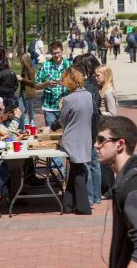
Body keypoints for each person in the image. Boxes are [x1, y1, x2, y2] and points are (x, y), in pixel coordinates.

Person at [96, 116, 137, 268]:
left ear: (120, 144)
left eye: (100, 140)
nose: (95, 145)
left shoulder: (134, 185)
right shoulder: (128, 178)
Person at [48, 67, 93, 215]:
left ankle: (83, 206)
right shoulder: (88, 95)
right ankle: (67, 205)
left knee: (77, 173)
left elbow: (62, 121)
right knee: (75, 171)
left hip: (72, 138)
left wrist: (51, 128)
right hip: (85, 136)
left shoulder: (68, 99)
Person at [73, 53, 103, 205]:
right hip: (94, 127)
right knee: (94, 162)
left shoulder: (86, 85)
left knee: (87, 162)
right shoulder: (93, 82)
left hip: (86, 128)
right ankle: (96, 195)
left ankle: (90, 196)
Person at [35, 41, 72, 127]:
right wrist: (46, 84)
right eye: (54, 53)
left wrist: (65, 83)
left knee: (66, 132)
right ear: (51, 53)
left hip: (66, 106)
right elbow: (36, 85)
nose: (56, 55)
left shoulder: (69, 65)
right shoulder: (45, 66)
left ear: (62, 51)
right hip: (49, 106)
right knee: (51, 133)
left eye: (58, 52)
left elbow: (76, 83)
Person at [17, 52, 36, 125]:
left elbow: (33, 82)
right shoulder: (24, 68)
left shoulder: (30, 69)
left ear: (25, 60)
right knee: (21, 108)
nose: (20, 61)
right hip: (22, 91)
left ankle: (32, 124)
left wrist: (22, 79)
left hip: (28, 92)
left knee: (30, 110)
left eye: (21, 60)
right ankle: (23, 124)